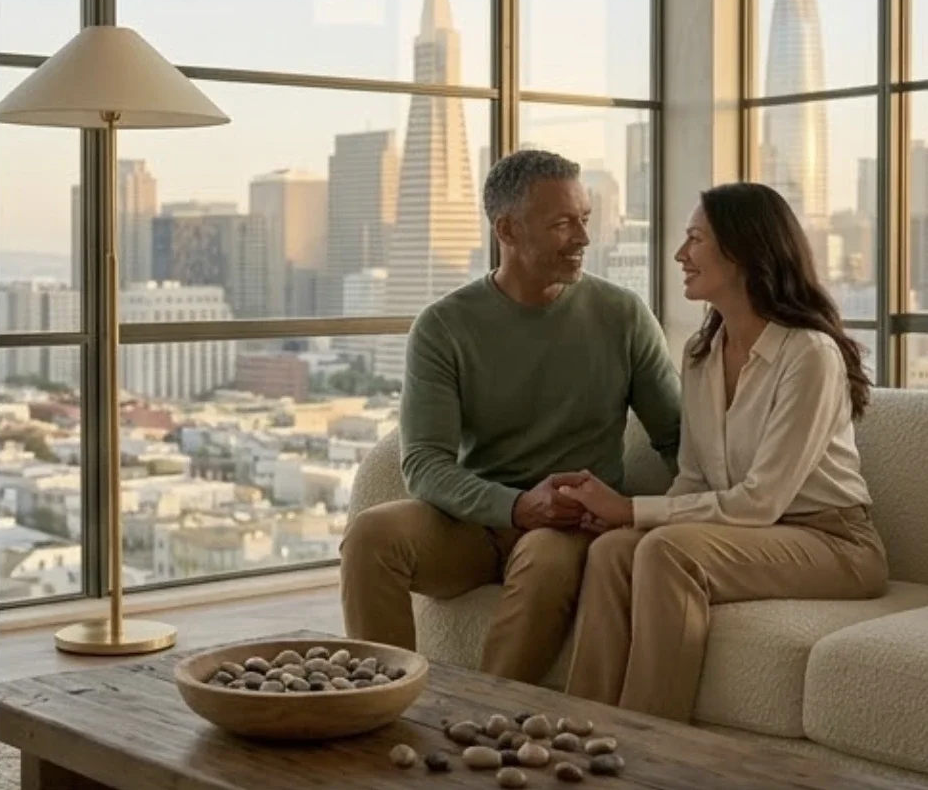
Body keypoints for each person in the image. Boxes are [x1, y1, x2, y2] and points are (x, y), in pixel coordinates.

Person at [339, 148, 681, 685]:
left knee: (545, 560)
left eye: (585, 220)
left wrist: (714, 513)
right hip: (473, 524)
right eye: (563, 223)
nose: (584, 239)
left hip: (571, 527)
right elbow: (425, 464)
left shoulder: (623, 315)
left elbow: (676, 436)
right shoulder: (444, 326)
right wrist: (518, 505)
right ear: (508, 229)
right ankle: (377, 704)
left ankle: (486, 726)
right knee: (371, 535)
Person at [558, 182, 885, 722]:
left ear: (742, 250)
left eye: (694, 239)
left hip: (834, 542)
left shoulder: (809, 354)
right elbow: (693, 478)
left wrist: (634, 510)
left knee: (667, 552)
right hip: (754, 532)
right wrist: (627, 524)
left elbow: (761, 501)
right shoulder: (702, 352)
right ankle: (579, 731)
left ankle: (649, 753)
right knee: (612, 551)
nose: (681, 255)